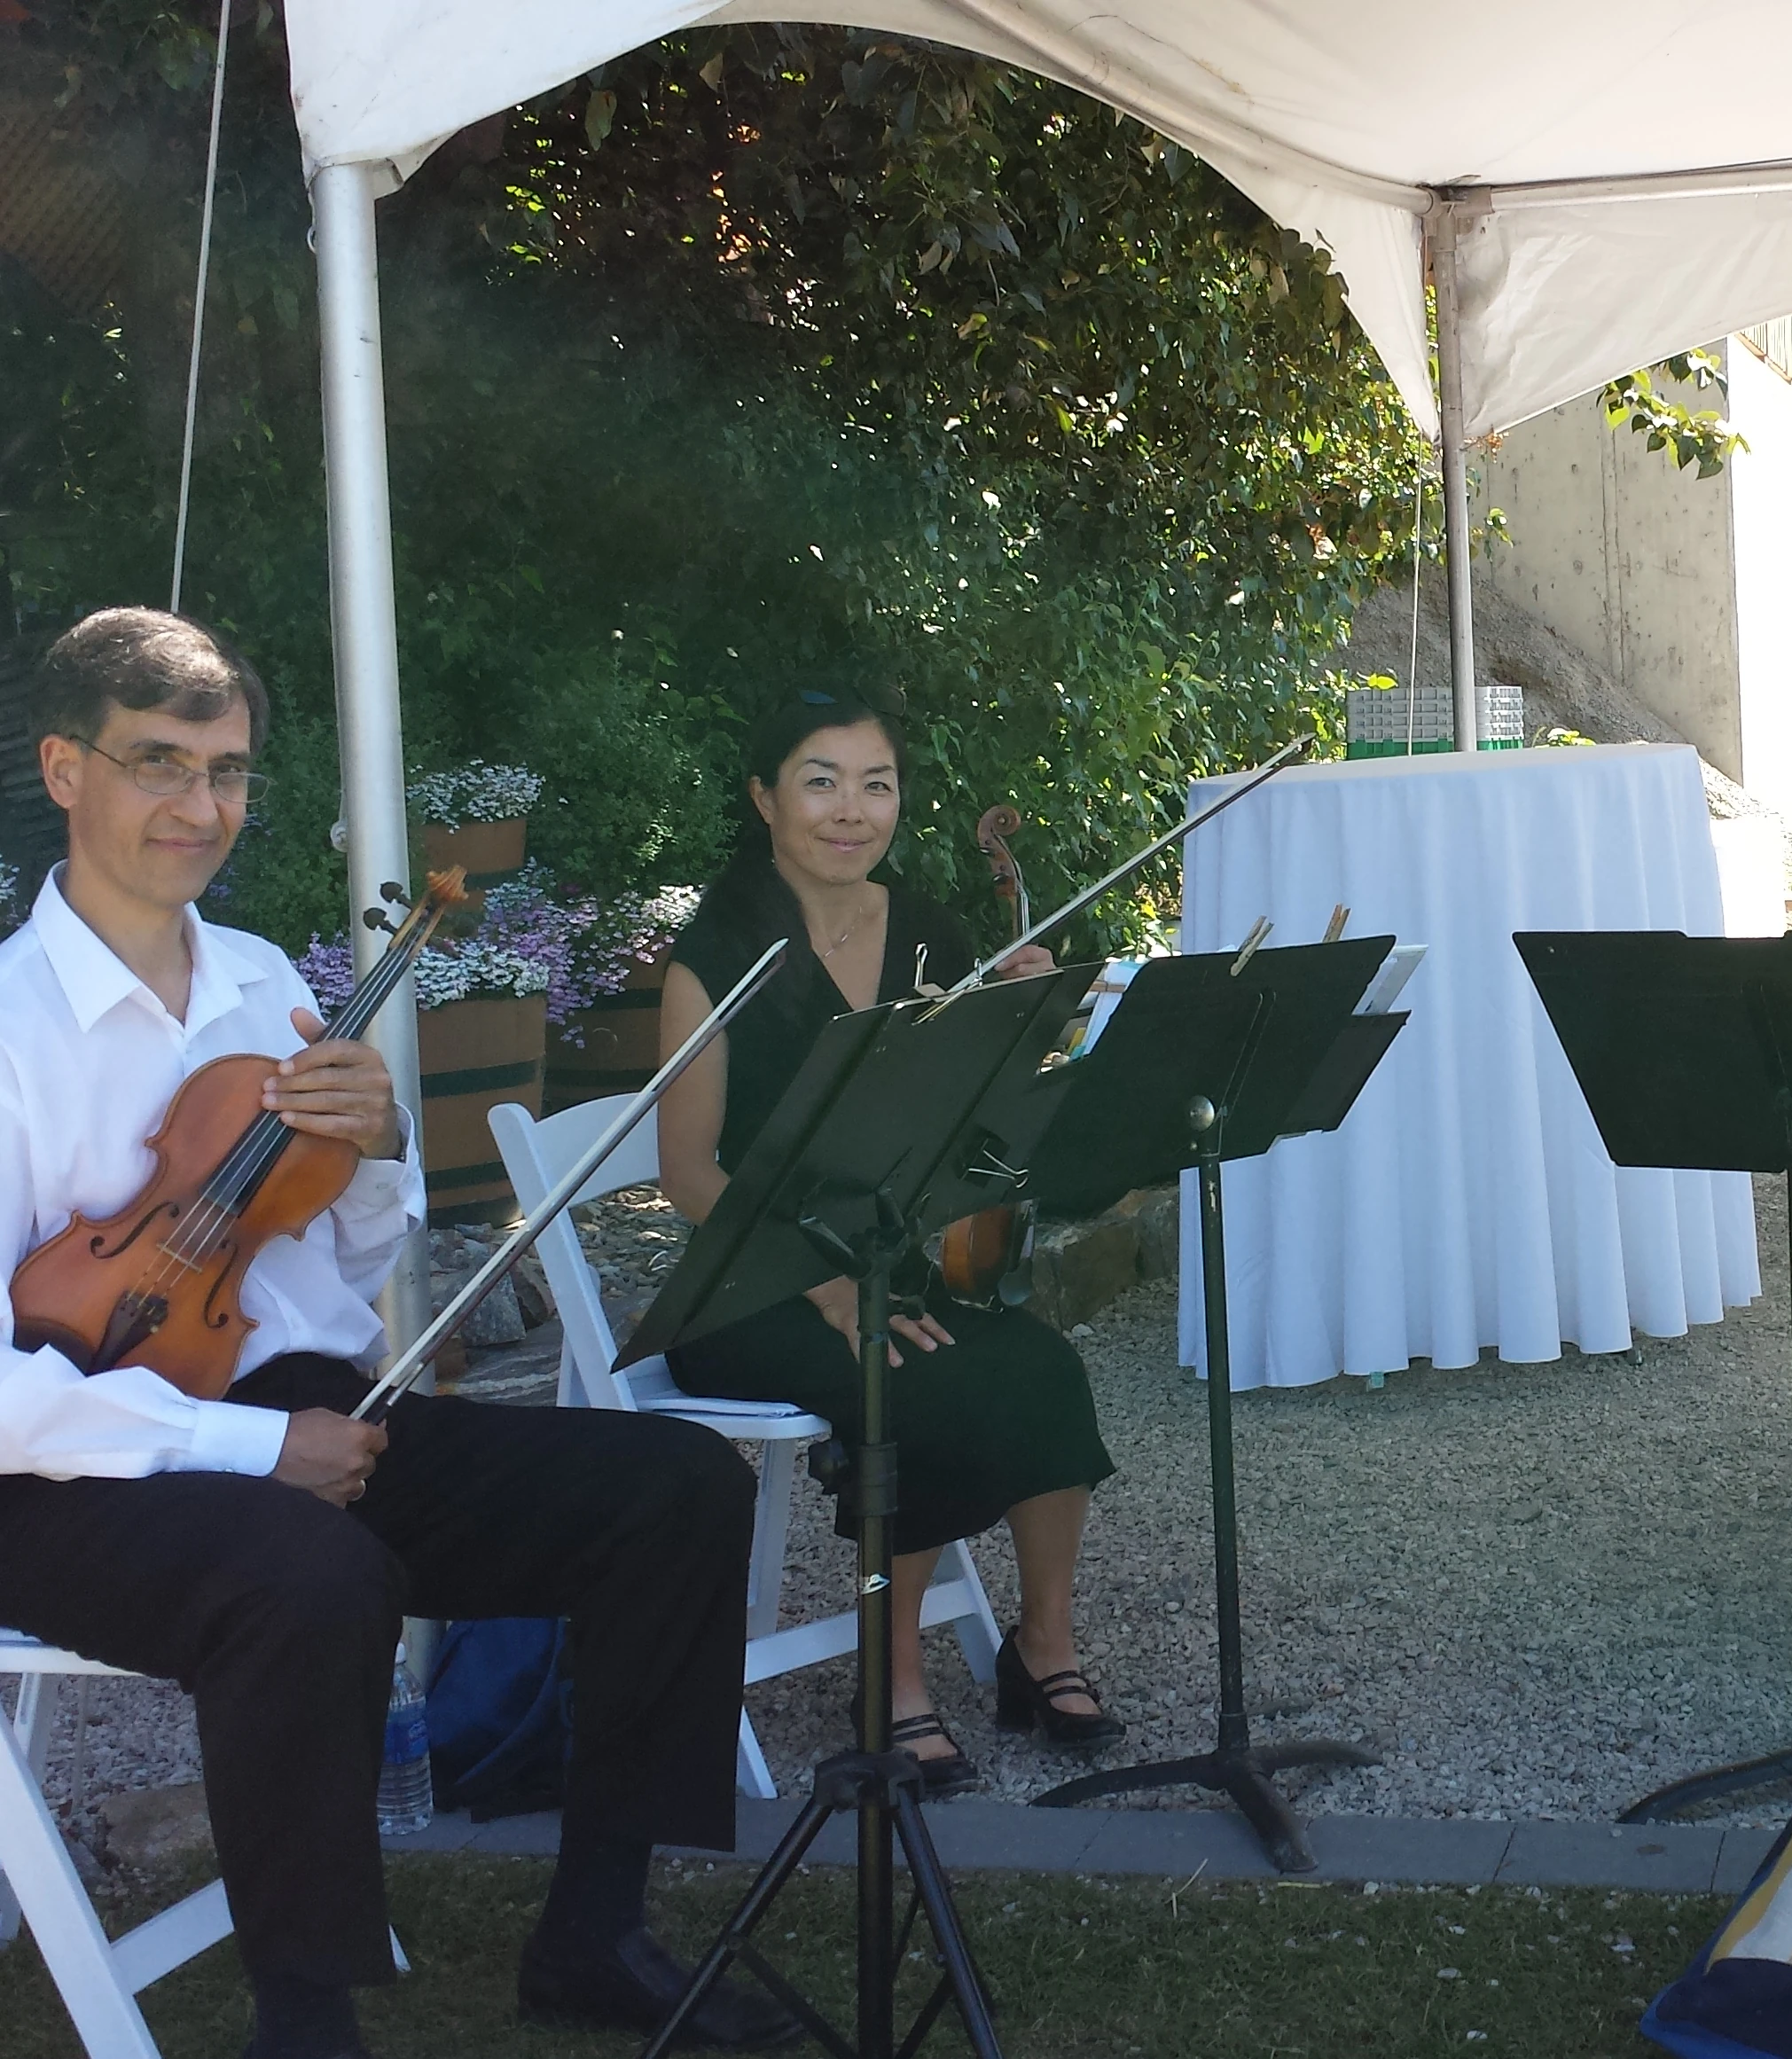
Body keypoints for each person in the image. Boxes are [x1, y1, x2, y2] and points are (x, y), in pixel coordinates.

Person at [0, 609, 790, 2056]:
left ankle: (597, 1929)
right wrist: (250, 1447)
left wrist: (374, 1154)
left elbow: (347, 1266)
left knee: (676, 1486)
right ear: (64, 768)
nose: (201, 808)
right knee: (311, 1575)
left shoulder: (259, 984)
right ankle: (304, 2017)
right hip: (75, 1468)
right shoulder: (6, 1026)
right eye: (159, 765)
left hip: (317, 1416)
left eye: (229, 771)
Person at [658, 683, 1122, 1796]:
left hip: (891, 1264)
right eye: (821, 782)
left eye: (877, 783)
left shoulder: (928, 928)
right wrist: (820, 1284)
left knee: (1046, 1370)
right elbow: (686, 1174)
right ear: (766, 797)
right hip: (755, 1285)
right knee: (911, 1389)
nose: (851, 809)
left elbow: (971, 1127)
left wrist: (1026, 1029)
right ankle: (893, 1675)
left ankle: (1042, 1645)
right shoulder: (716, 954)